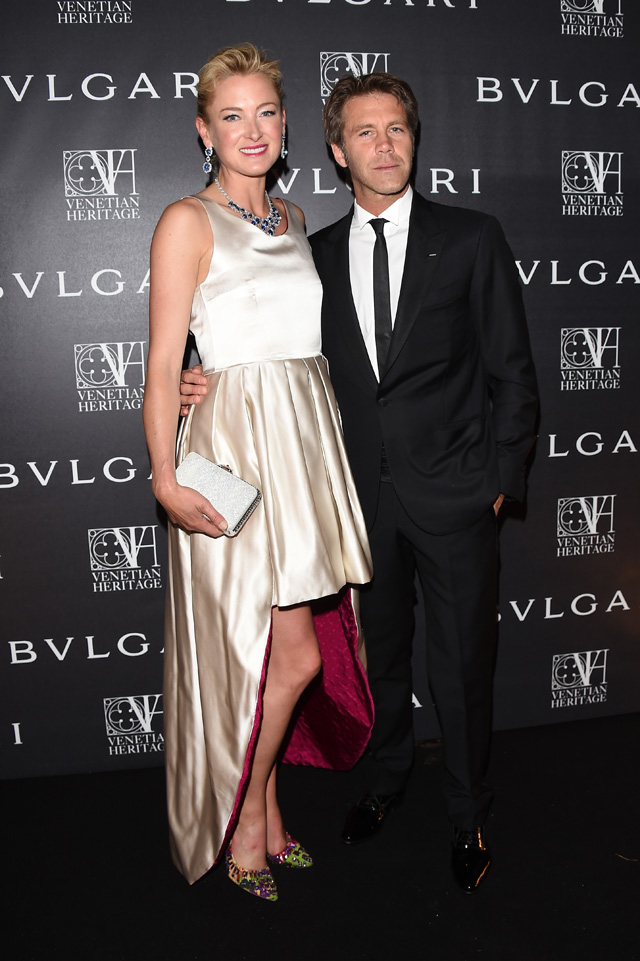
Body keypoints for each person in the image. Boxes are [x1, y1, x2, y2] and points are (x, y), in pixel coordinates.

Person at [180, 71, 539, 894]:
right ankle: (386, 781)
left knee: (462, 667)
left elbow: (514, 373)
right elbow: (263, 341)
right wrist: (196, 378)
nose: (384, 145)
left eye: (397, 129)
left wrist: (498, 484)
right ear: (338, 152)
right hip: (354, 502)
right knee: (381, 663)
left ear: (415, 140)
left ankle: (467, 813)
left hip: (456, 496)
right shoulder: (311, 253)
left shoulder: (472, 236)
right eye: (365, 133)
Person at [143, 43, 373, 903]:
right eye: (231, 116)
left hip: (303, 444)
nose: (252, 129)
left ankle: (267, 809)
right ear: (204, 131)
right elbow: (163, 364)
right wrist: (165, 475)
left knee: (289, 654)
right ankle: (246, 819)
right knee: (280, 654)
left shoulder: (295, 215)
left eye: (266, 113)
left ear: (285, 126)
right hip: (236, 449)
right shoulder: (186, 221)